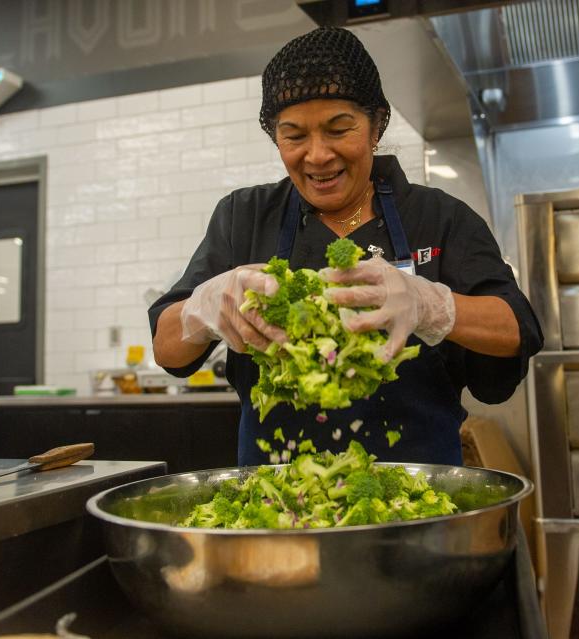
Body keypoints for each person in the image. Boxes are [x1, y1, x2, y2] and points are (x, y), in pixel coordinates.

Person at [148, 27, 543, 466]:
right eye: (294, 136)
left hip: (416, 494)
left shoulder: (439, 217)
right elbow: (168, 349)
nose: (317, 156)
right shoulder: (244, 215)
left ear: (376, 125)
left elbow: (518, 328)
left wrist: (433, 306)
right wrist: (202, 309)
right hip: (276, 501)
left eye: (339, 129)